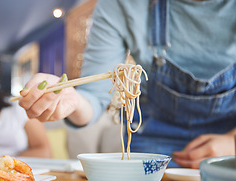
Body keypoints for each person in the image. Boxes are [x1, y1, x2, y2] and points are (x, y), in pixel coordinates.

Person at [17, 0, 236, 168]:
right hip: (152, 137)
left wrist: (232, 141)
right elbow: (94, 96)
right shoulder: (119, 5)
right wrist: (71, 99)